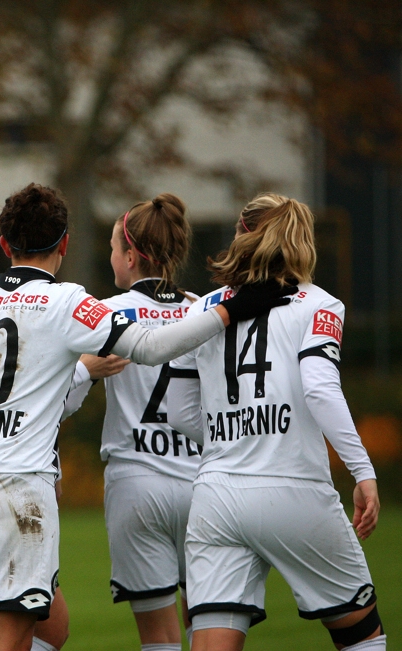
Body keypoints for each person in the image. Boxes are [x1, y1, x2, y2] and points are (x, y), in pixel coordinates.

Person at [0, 182, 295, 651]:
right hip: (14, 491)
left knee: (30, 631)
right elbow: (153, 346)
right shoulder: (67, 301)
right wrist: (233, 307)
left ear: (4, 244)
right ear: (64, 244)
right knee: (6, 639)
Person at [165, 194, 385, 651]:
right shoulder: (319, 304)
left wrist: (233, 437)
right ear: (302, 242)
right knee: (362, 636)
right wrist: (363, 471)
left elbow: (178, 409)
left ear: (241, 234)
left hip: (217, 495)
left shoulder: (203, 308)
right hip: (294, 489)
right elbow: (320, 388)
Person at [62, 193, 199, 651]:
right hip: (206, 483)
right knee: (211, 626)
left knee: (160, 638)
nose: (109, 255)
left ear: (132, 256)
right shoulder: (206, 310)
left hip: (137, 483)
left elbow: (60, 400)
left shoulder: (106, 313)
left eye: (113, 247)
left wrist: (84, 370)